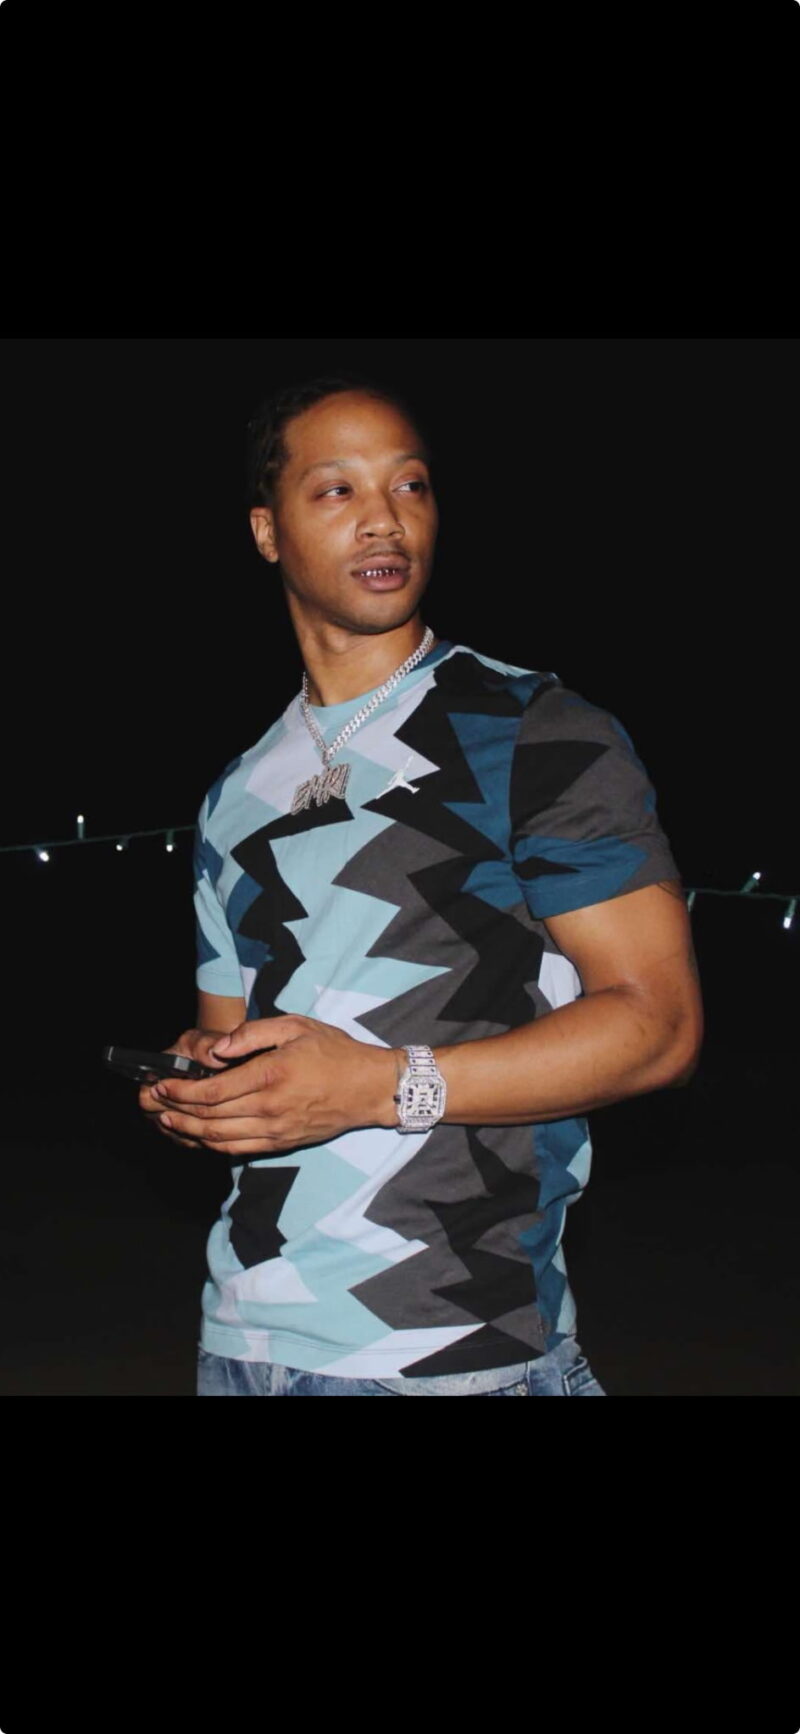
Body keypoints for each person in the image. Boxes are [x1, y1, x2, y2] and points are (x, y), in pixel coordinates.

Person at [139, 374, 703, 1397]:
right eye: (337, 490)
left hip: (453, 1351)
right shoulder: (232, 796)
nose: (383, 519)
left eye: (409, 485)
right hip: (246, 1339)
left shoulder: (536, 733)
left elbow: (658, 1026)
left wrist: (378, 1084)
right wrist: (200, 1087)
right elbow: (239, 1043)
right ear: (266, 531)